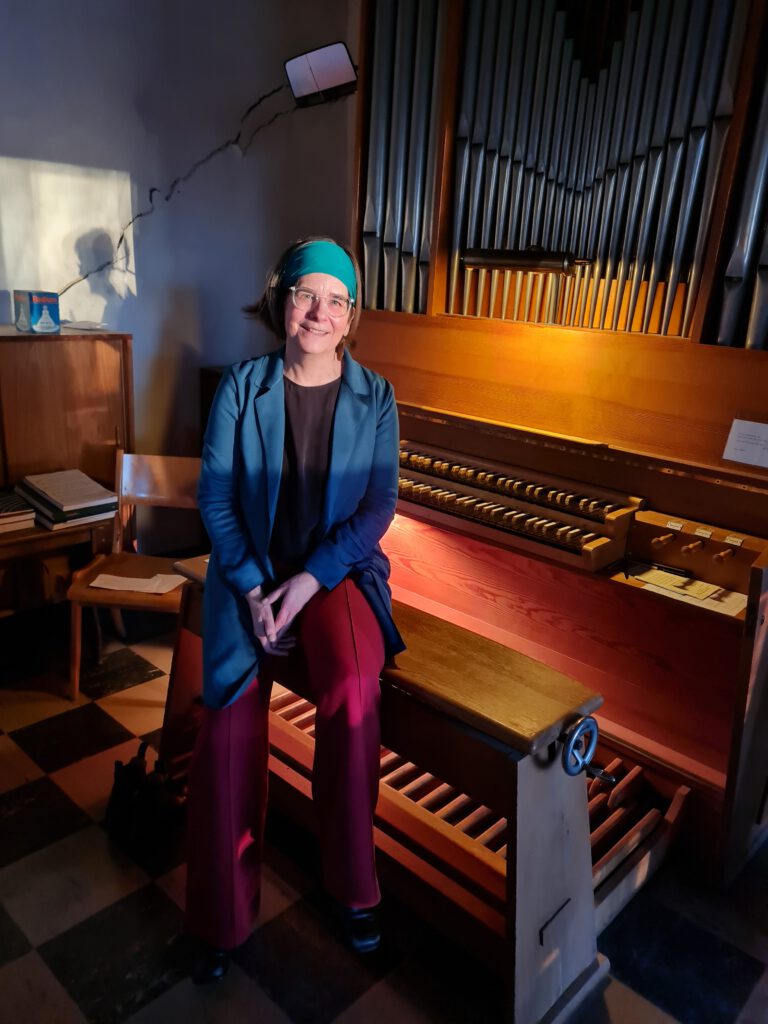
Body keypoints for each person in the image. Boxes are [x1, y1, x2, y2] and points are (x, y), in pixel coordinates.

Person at [185, 237, 404, 982]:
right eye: (306, 294)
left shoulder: (377, 397)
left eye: (335, 300)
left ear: (351, 316)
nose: (318, 312)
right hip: (247, 573)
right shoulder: (241, 387)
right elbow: (215, 497)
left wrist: (307, 582)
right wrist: (251, 588)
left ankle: (350, 886)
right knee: (227, 723)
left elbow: (379, 508)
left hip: (334, 576)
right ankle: (220, 919)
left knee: (351, 691)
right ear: (281, 301)